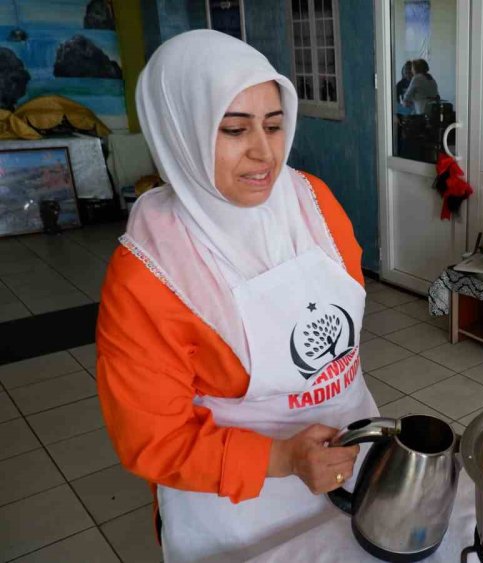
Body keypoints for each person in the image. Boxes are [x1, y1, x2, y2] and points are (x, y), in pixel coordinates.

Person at [95, 30, 379, 562]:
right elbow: (153, 439)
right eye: (233, 129)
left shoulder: (314, 202)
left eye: (274, 125)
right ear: (180, 132)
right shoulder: (149, 273)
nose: (264, 152)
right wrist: (283, 458)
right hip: (240, 509)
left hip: (350, 458)